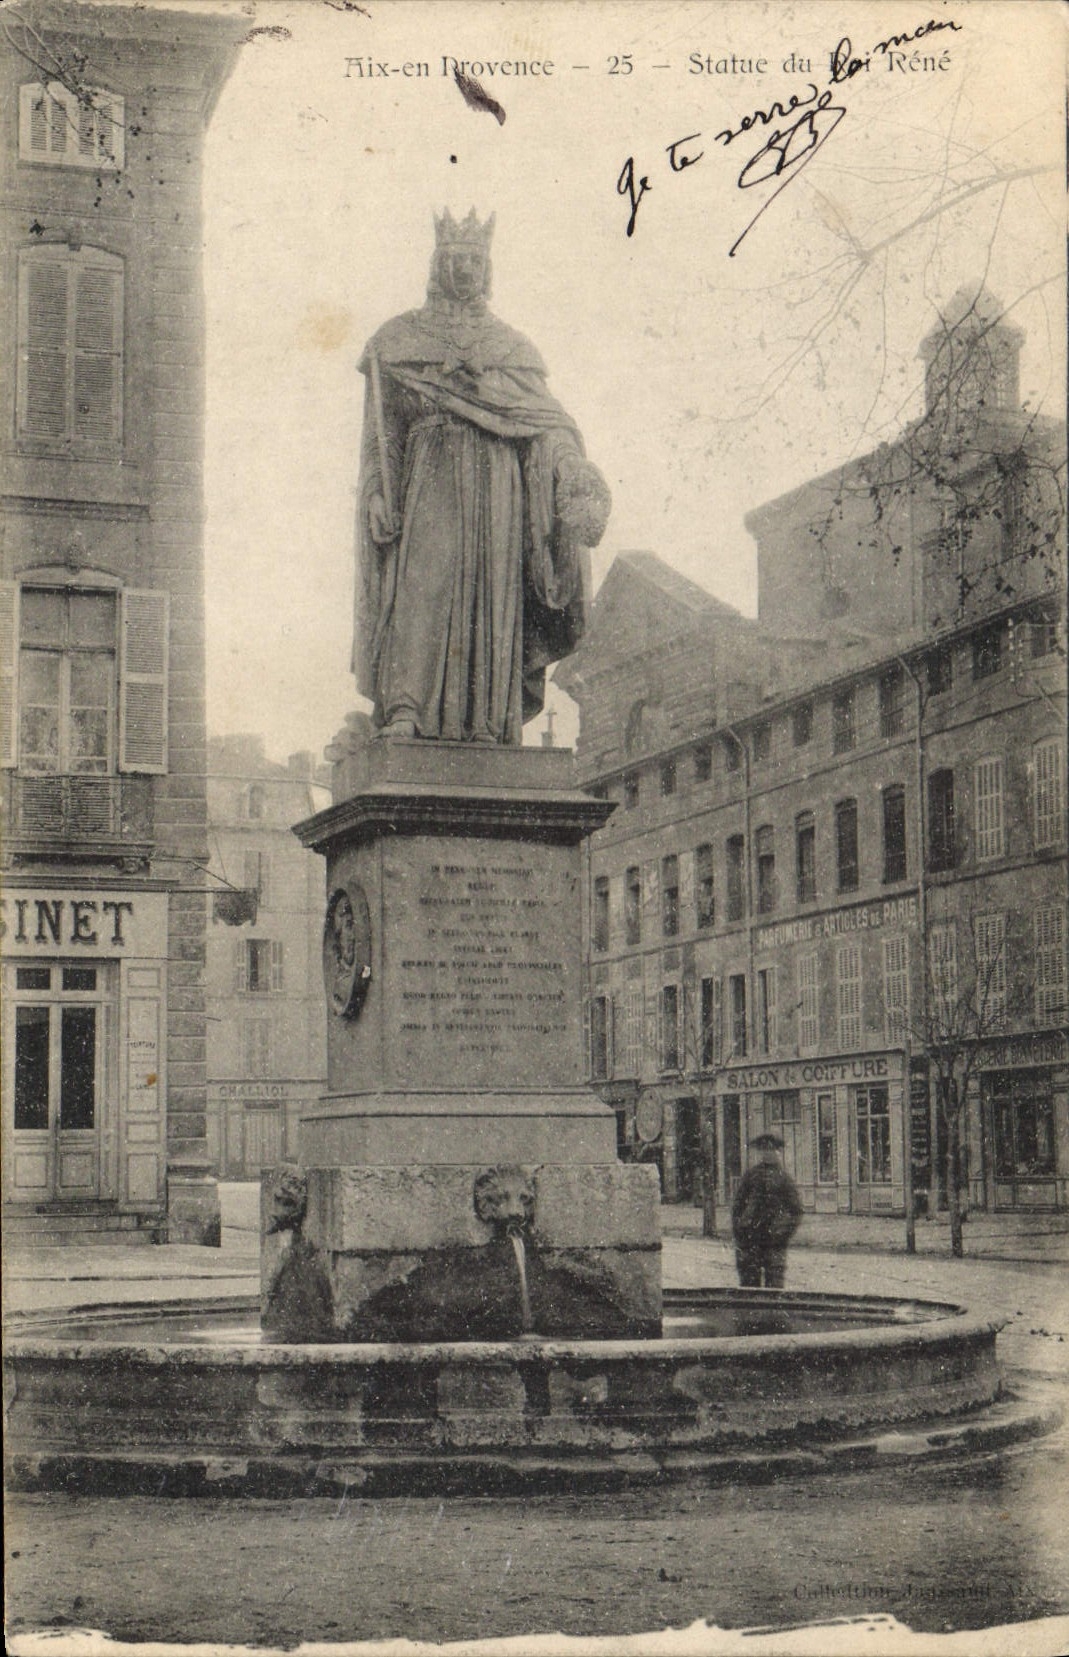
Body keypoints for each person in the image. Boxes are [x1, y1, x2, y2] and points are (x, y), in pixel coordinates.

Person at [353, 208, 610, 744]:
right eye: (455, 259)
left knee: (494, 598)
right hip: (429, 480)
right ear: (437, 264)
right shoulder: (398, 342)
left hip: (498, 488)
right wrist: (378, 490)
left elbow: (546, 427)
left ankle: (490, 721)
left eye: (475, 259)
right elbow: (382, 437)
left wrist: (573, 472)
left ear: (486, 268)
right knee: (422, 589)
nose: (465, 269)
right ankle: (407, 708)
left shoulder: (511, 350)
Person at [731, 1132, 804, 1288]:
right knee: (749, 1286)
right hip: (750, 1240)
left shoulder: (784, 1179)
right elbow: (737, 1207)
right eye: (764, 1150)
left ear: (778, 1152)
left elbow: (796, 1211)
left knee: (774, 1287)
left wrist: (782, 1231)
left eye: (772, 1150)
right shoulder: (751, 1176)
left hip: (774, 1241)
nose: (768, 1154)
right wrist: (740, 1230)